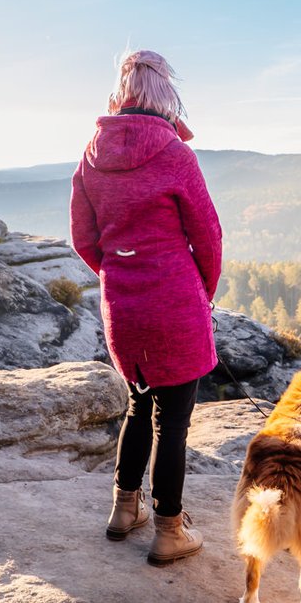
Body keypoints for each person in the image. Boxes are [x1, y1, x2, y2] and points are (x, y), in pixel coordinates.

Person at [70, 49, 222, 566]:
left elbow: (83, 239)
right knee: (173, 423)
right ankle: (170, 531)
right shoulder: (177, 156)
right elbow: (209, 236)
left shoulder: (91, 153)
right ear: (167, 95)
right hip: (174, 300)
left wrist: (119, 273)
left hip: (124, 307)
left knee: (139, 404)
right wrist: (202, 291)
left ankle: (122, 510)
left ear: (121, 91)